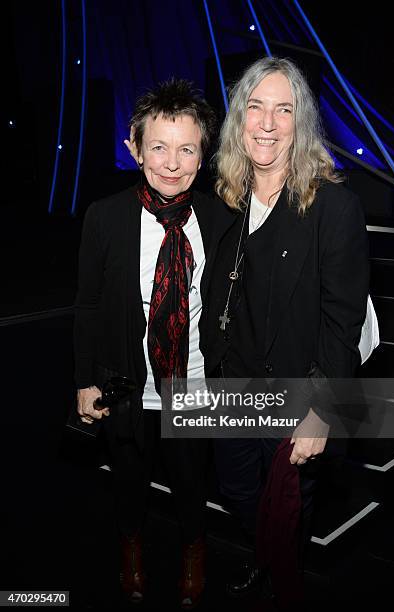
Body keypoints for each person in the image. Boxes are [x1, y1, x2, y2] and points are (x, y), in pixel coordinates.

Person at [200, 56, 369, 608]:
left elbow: (343, 324)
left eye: (284, 110)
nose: (267, 123)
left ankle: (280, 574)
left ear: (302, 125)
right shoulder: (223, 200)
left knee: (290, 504)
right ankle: (265, 556)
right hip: (232, 390)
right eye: (256, 107)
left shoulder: (334, 208)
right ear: (238, 118)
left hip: (297, 399)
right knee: (240, 491)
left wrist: (322, 413)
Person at [74, 78, 227, 609]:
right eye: (157, 146)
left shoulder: (220, 219)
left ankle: (193, 551)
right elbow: (89, 306)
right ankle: (131, 548)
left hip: (195, 384)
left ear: (203, 154)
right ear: (134, 148)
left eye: (187, 148)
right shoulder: (105, 217)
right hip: (125, 386)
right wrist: (85, 381)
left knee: (190, 481)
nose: (171, 162)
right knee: (130, 483)